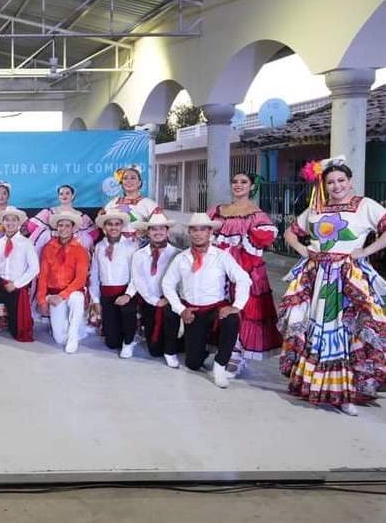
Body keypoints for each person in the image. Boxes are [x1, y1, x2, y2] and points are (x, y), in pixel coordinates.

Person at [279, 157, 386, 416]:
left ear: (350, 181)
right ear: (324, 185)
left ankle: (346, 392)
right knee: (317, 329)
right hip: (317, 277)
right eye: (331, 182)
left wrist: (366, 250)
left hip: (349, 278)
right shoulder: (317, 208)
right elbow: (290, 233)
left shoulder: (365, 206)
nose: (337, 186)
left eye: (341, 180)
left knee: (346, 330)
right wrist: (304, 250)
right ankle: (318, 385)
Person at [162, 212, 251, 388]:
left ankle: (220, 364)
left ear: (210, 232)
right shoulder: (181, 258)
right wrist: (181, 309)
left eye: (202, 229)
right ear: (189, 233)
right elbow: (167, 284)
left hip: (215, 309)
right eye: (194, 230)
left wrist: (236, 306)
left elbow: (243, 279)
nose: (198, 233)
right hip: (192, 311)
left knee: (232, 319)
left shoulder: (221, 256)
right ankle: (200, 348)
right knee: (193, 364)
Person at [207, 173, 281, 376]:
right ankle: (221, 348)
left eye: (243, 182)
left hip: (246, 270)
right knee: (217, 304)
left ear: (251, 187)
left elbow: (265, 239)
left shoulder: (257, 215)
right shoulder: (217, 210)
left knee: (243, 309)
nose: (238, 185)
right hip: (218, 268)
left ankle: (237, 355)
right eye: (235, 181)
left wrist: (244, 242)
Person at [116, 213, 182, 367]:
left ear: (167, 231)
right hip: (149, 299)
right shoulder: (139, 255)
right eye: (153, 229)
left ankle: (171, 351)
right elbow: (137, 280)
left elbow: (180, 281)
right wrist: (151, 299)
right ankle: (133, 341)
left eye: (161, 229)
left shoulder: (177, 254)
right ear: (148, 232)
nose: (157, 232)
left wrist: (171, 298)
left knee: (170, 315)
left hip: (168, 299)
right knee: (153, 350)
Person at [0, 207, 39, 343]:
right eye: (7, 220)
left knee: (16, 330)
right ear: (3, 223)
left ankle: (15, 325)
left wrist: (16, 284)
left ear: (19, 224)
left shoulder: (26, 243)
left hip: (17, 288)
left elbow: (35, 268)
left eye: (14, 220)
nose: (10, 223)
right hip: (2, 285)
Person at [89, 208, 140, 357]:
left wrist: (129, 295)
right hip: (107, 294)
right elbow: (95, 274)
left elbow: (136, 275)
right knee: (111, 343)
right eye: (109, 224)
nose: (113, 227)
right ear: (104, 227)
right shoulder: (99, 247)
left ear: (122, 226)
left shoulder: (131, 246)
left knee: (127, 313)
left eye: (117, 224)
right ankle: (118, 335)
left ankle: (129, 341)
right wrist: (96, 300)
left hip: (125, 292)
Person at [37, 211, 90, 354]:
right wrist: (42, 300)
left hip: (73, 292)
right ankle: (73, 326)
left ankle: (73, 336)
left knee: (77, 299)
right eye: (61, 225)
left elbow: (81, 279)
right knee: (59, 339)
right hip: (54, 294)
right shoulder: (48, 248)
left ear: (73, 228)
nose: (63, 228)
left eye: (67, 225)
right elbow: (43, 275)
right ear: (57, 228)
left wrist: (63, 295)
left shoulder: (80, 250)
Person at [98, 166, 161, 244]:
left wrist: (144, 234)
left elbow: (160, 226)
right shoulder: (112, 203)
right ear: (121, 183)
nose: (129, 181)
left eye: (133, 178)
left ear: (139, 182)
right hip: (114, 246)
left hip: (139, 247)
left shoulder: (149, 204)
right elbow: (102, 222)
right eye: (125, 178)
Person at [28, 184, 98, 253]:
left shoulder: (81, 216)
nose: (64, 196)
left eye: (67, 193)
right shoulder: (49, 212)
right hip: (51, 247)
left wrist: (70, 237)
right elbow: (32, 226)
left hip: (73, 248)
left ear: (73, 196)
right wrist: (53, 234)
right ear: (58, 197)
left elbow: (93, 234)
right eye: (61, 194)